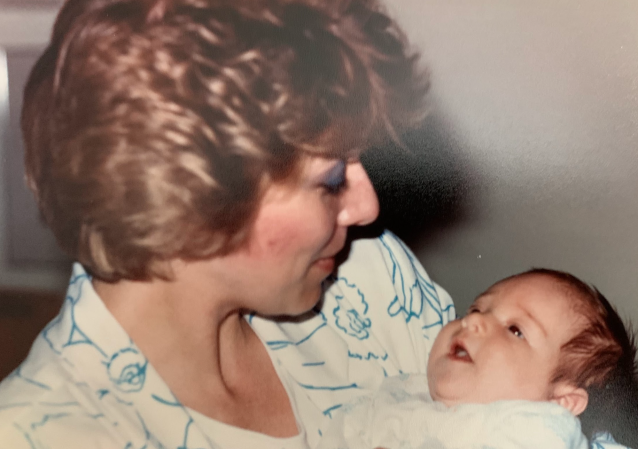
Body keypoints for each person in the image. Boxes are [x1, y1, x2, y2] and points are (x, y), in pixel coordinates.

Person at [0, 0, 458, 448]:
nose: (367, 208)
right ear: (196, 192)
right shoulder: (39, 434)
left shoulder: (368, 275)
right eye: (333, 179)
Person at [317, 269, 638, 449]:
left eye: (515, 330)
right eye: (476, 309)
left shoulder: (537, 430)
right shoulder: (394, 396)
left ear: (562, 402)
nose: (473, 322)